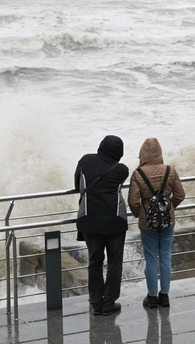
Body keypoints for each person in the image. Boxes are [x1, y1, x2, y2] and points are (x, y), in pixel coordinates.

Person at [75, 135, 130, 316]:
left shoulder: (85, 161)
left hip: (89, 220)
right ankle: (109, 303)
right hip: (115, 222)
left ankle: (96, 303)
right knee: (114, 263)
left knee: (95, 261)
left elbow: (78, 185)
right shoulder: (122, 170)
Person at [128, 138, 185, 309]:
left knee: (151, 259)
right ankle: (165, 296)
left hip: (148, 223)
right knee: (166, 257)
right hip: (168, 220)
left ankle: (152, 297)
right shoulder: (170, 170)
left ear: (142, 153)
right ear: (160, 152)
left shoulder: (138, 174)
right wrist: (169, 208)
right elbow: (180, 194)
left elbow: (133, 201)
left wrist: (141, 214)